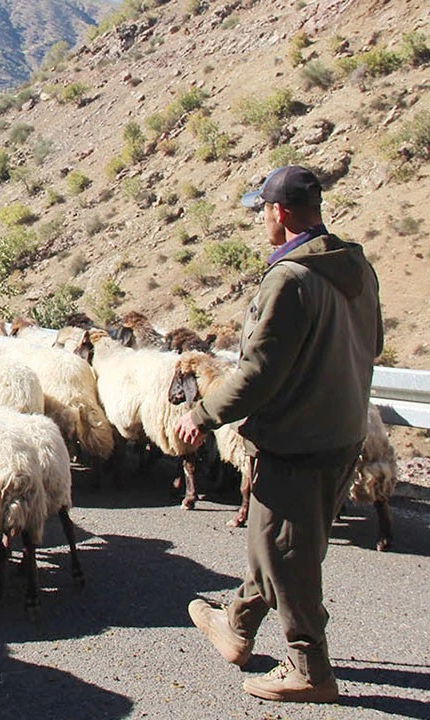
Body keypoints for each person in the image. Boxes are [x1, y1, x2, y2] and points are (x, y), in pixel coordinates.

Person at [174, 165, 382, 703]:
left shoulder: (290, 279)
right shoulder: (356, 268)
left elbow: (258, 373)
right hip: (344, 433)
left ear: (280, 212)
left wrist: (200, 416)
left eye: (262, 209)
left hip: (298, 440)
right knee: (282, 543)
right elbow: (373, 344)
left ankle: (309, 666)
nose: (261, 218)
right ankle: (238, 624)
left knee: (286, 553)